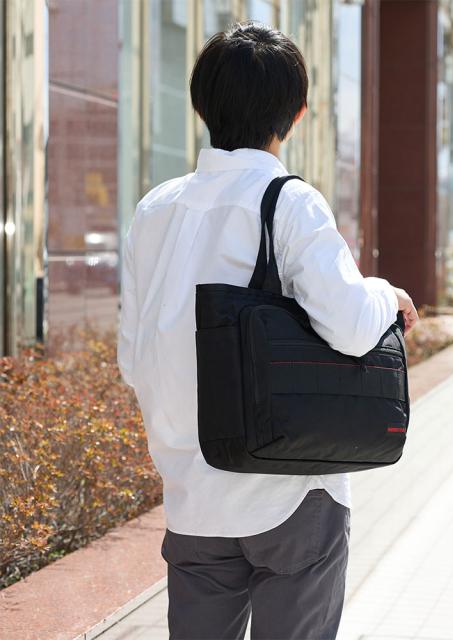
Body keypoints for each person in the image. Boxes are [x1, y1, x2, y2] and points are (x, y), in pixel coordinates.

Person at [117, 19, 418, 640]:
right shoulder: (289, 201)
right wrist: (387, 295)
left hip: (193, 493)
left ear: (201, 106)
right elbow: (350, 326)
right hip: (290, 493)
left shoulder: (155, 209)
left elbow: (133, 356)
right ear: (297, 114)